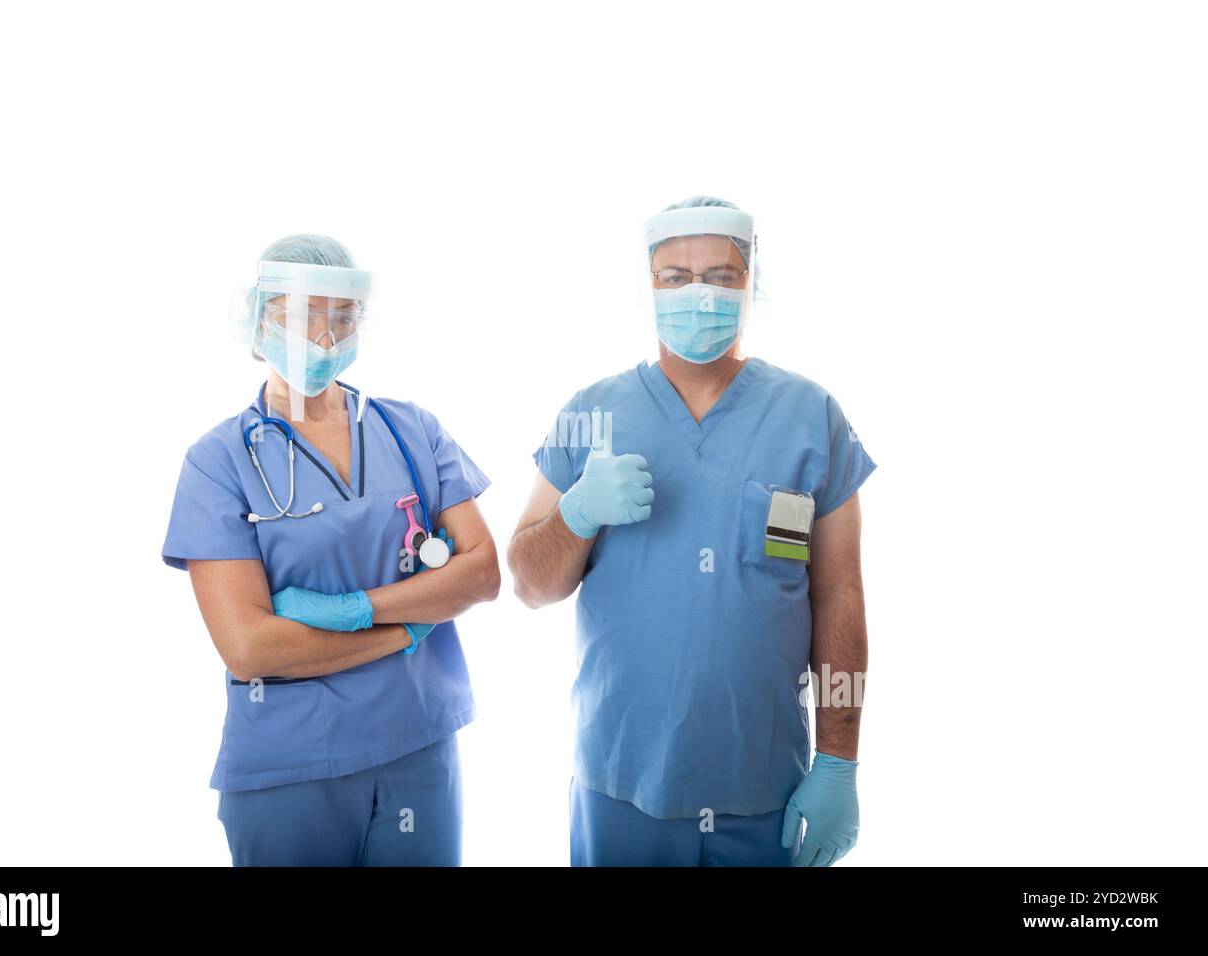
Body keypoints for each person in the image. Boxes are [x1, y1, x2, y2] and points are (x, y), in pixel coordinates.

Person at [508, 197, 876, 867]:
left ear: (751, 282)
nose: (699, 294)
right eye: (677, 277)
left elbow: (841, 595)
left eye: (721, 275)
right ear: (648, 286)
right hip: (619, 790)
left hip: (765, 791)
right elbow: (529, 586)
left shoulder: (811, 416)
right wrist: (576, 514)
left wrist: (840, 762)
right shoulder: (587, 414)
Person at [162, 233, 499, 866]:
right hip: (291, 768)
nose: (324, 337)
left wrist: (349, 608)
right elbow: (251, 647)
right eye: (304, 315)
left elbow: (481, 574)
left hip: (418, 747)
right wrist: (407, 629)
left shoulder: (411, 429)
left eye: (341, 318)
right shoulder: (218, 462)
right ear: (262, 319)